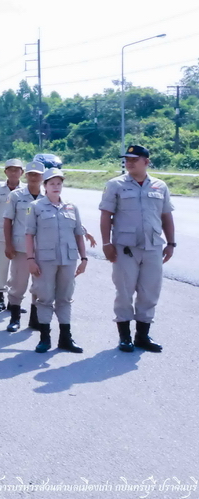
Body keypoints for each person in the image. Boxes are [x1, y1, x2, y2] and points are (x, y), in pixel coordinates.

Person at [98, 145, 176, 353]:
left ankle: (142, 336)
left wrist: (171, 243)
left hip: (153, 247)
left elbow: (166, 215)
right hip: (125, 248)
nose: (129, 163)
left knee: (150, 291)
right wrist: (106, 243)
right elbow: (106, 215)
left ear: (146, 162)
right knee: (124, 291)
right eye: (127, 159)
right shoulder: (115, 185)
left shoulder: (160, 186)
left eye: (134, 159)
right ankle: (124, 337)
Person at [25, 168, 88, 353]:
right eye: (52, 183)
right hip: (45, 260)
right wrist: (30, 259)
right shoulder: (35, 207)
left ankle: (65, 338)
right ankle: (45, 338)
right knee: (45, 298)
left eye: (59, 183)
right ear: (44, 186)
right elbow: (29, 235)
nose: (56, 187)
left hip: (68, 259)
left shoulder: (72, 207)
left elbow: (78, 234)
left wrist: (84, 258)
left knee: (65, 298)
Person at [2, 161, 46, 333]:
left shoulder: (47, 196)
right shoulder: (16, 196)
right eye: (31, 174)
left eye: (37, 174)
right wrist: (8, 244)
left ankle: (35, 318)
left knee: (39, 285)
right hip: (21, 247)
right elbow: (7, 220)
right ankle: (15, 318)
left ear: (43, 177)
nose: (34, 177)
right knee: (18, 284)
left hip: (42, 248)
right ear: (26, 175)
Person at [0, 159, 24, 313]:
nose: (14, 173)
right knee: (0, 268)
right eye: (10, 169)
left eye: (17, 170)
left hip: (20, 236)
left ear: (22, 172)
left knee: (18, 271)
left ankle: (14, 301)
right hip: (1, 235)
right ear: (5, 172)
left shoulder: (26, 190)